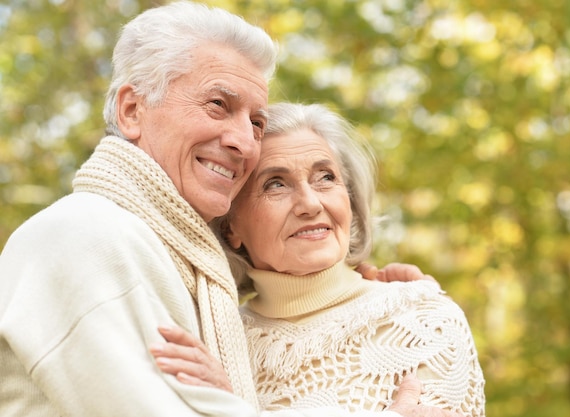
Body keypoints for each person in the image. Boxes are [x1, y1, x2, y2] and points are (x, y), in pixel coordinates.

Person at [0, 2, 442, 417]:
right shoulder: (85, 237)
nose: (244, 141)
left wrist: (354, 293)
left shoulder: (176, 260)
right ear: (132, 110)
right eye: (218, 105)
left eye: (256, 122)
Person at [153, 102, 486, 416]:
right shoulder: (210, 339)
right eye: (276, 184)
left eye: (325, 177)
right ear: (229, 229)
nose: (310, 204)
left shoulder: (423, 321)